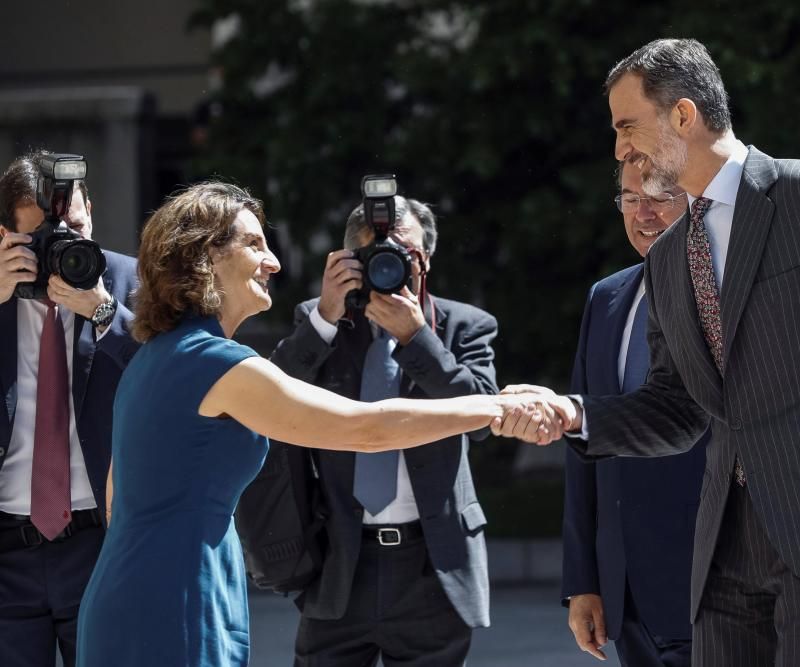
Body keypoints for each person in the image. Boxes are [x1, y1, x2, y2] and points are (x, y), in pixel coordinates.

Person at [499, 38, 800, 666]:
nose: (618, 149)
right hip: (721, 546)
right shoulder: (666, 260)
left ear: (683, 115)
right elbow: (676, 408)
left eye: (627, 125)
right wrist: (574, 413)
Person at [75, 181, 548, 667]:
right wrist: (496, 407)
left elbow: (117, 497)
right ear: (206, 256)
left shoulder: (156, 356)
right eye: (255, 245)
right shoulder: (213, 362)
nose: (275, 261)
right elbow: (367, 429)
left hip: (137, 585)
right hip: (174, 596)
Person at [270, 196, 497, 666]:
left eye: (403, 254)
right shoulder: (323, 320)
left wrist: (419, 340)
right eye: (374, 254)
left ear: (426, 259)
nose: (388, 266)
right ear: (348, 260)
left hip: (432, 566)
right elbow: (272, 398)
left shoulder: (463, 326)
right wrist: (324, 318)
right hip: (341, 562)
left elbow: (482, 417)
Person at [562, 160, 706, 666]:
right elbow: (585, 449)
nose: (643, 213)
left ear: (696, 199)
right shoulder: (607, 298)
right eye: (629, 197)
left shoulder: (726, 292)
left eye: (659, 196)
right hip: (627, 596)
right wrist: (583, 582)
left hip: (714, 584)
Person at [0, 150, 139, 667]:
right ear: (5, 237)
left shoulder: (132, 284)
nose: (63, 248)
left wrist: (104, 313)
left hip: (98, 546)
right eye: (42, 240)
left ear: (91, 215)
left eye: (74, 229)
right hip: (7, 551)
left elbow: (172, 381)